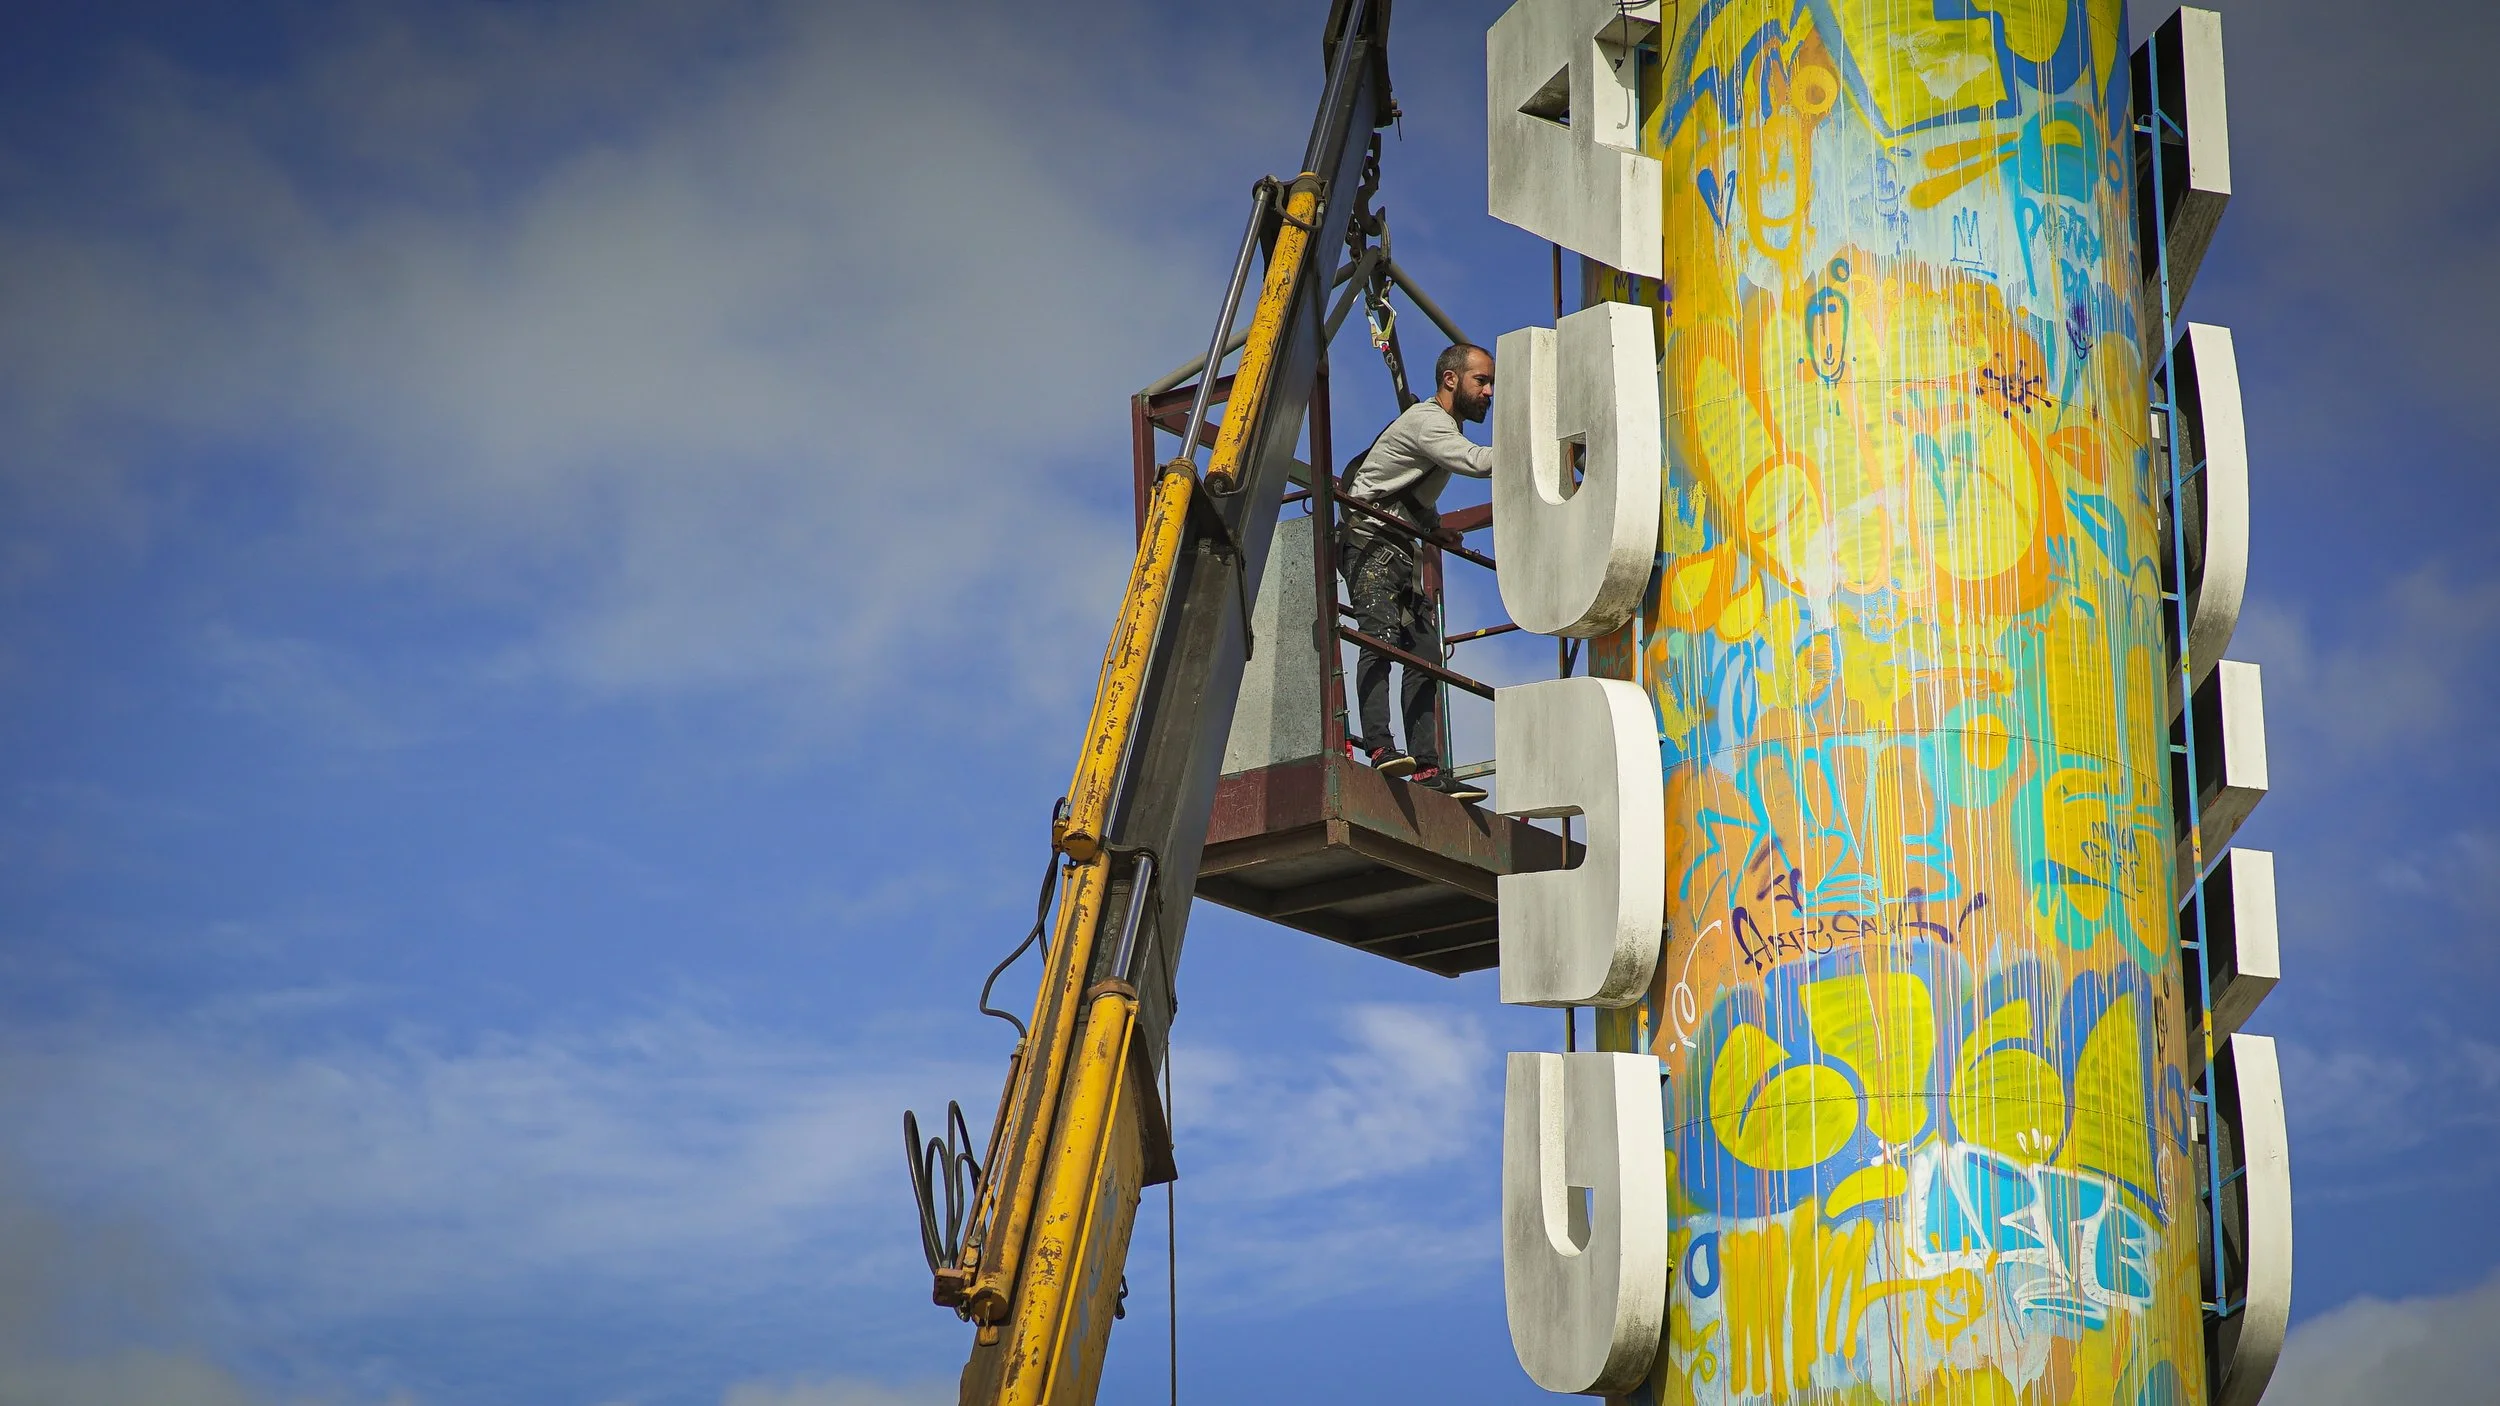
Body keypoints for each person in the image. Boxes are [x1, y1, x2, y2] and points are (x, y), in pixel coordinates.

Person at [1337, 342, 1495, 803]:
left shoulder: (1443, 427)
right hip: (1370, 542)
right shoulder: (1431, 423)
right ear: (1451, 380)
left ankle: (1427, 769)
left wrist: (1434, 530)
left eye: (1490, 383)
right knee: (1380, 638)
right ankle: (1381, 748)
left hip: (1398, 546)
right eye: (1480, 380)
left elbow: (1408, 490)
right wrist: (1536, 449)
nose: (1488, 391)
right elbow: (1472, 461)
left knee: (1425, 654)